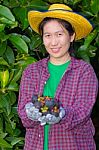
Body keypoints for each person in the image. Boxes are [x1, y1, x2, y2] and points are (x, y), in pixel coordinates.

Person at [18, 3, 98, 150]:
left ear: (72, 36)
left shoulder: (84, 71)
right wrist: (30, 113)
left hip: (73, 145)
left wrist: (61, 113)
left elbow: (83, 111)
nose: (53, 42)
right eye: (48, 35)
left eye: (59, 34)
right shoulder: (32, 71)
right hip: (35, 145)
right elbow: (24, 114)